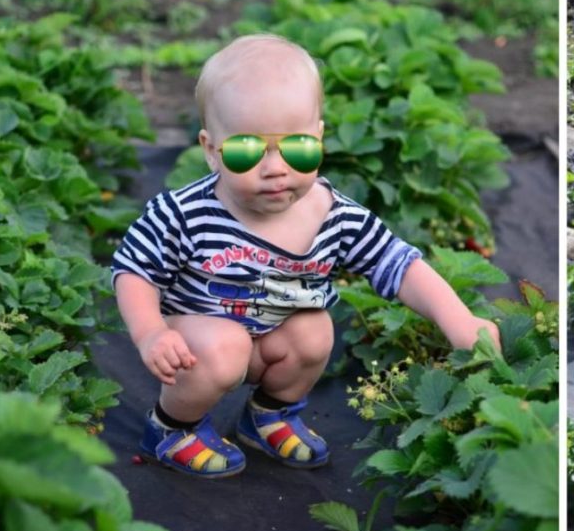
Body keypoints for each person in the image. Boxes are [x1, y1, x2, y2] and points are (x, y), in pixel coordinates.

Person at [111, 34, 501, 478]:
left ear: (318, 137)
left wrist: (460, 321)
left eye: (296, 147)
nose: (275, 167)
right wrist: (151, 334)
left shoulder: (333, 214)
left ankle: (268, 416)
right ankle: (171, 428)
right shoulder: (184, 213)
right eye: (246, 150)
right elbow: (134, 271)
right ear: (210, 149)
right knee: (226, 346)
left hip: (269, 337)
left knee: (314, 331)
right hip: (196, 344)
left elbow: (397, 262)